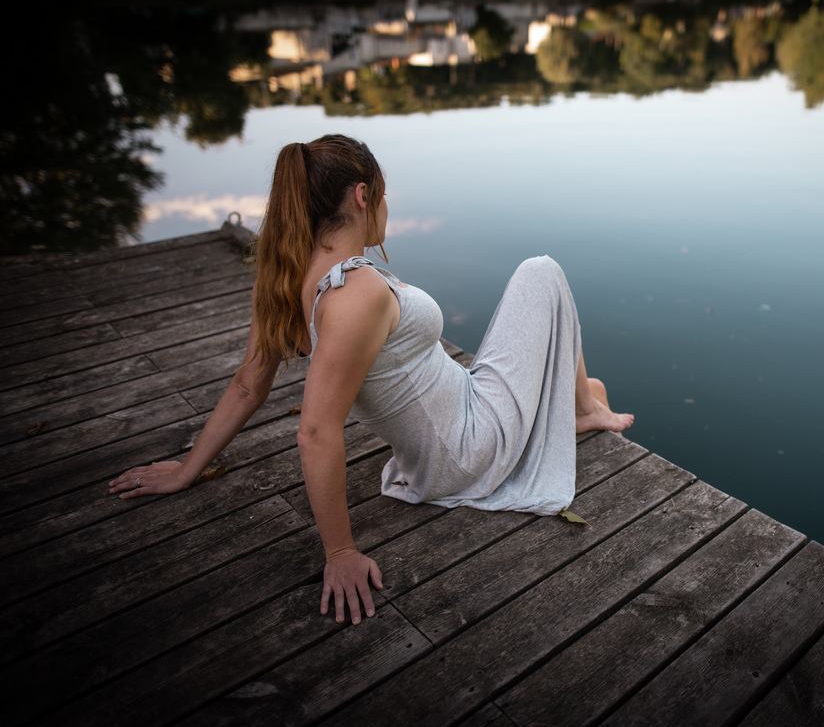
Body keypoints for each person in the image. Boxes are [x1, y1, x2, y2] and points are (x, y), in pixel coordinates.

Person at [107, 134, 634, 627]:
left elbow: (249, 385)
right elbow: (316, 431)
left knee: (555, 335)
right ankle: (584, 409)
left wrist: (186, 469)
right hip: (468, 450)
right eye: (383, 196)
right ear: (363, 196)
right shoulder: (356, 295)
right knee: (540, 272)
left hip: (451, 426)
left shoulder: (293, 276)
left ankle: (584, 404)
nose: (386, 208)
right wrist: (340, 552)